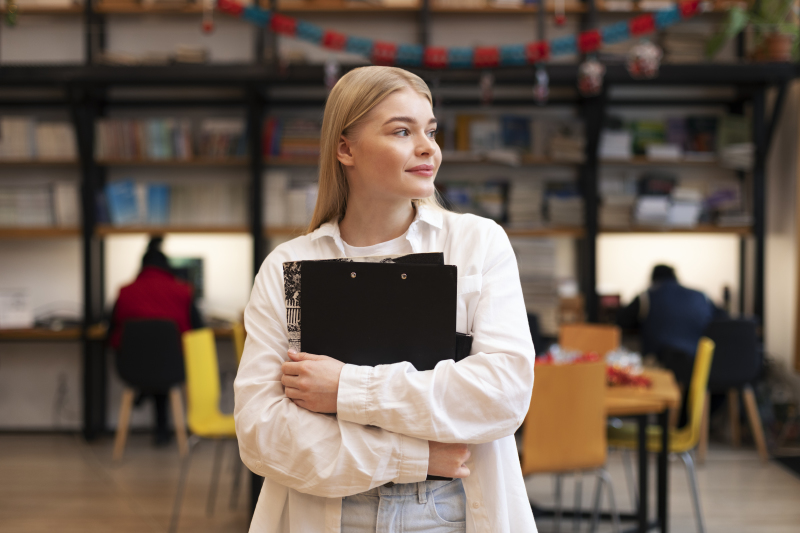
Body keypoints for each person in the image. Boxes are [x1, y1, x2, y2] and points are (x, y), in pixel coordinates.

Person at [234, 66, 536, 533]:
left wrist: (344, 389)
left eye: (430, 131)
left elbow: (502, 395)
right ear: (345, 148)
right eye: (402, 131)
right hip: (328, 513)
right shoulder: (288, 267)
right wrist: (413, 455)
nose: (427, 147)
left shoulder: (478, 244)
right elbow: (261, 432)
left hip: (450, 510)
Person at [110, 236, 202, 445]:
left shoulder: (124, 292)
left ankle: (143, 393)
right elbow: (199, 332)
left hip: (132, 367)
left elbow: (111, 331)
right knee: (163, 357)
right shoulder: (183, 291)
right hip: (173, 366)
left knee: (150, 358)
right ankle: (162, 428)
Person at [618, 264, 725, 424]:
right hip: (703, 367)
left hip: (665, 366)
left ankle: (667, 423)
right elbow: (723, 318)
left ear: (653, 280)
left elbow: (621, 321)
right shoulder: (701, 295)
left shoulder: (646, 296)